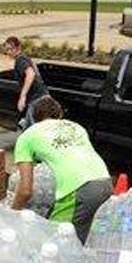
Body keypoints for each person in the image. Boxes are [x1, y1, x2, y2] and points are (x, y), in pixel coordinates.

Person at [11, 96, 112, 242]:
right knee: (81, 241)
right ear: (60, 115)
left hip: (79, 191)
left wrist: (12, 214)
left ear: (34, 118)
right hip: (106, 183)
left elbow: (26, 190)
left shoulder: (27, 136)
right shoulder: (76, 127)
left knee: (54, 242)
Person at [3, 36, 49, 129]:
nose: (8, 52)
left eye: (11, 49)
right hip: (41, 95)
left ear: (18, 48)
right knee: (29, 125)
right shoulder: (25, 57)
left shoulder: (20, 60)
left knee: (32, 128)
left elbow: (30, 74)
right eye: (7, 49)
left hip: (36, 99)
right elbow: (36, 72)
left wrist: (22, 96)